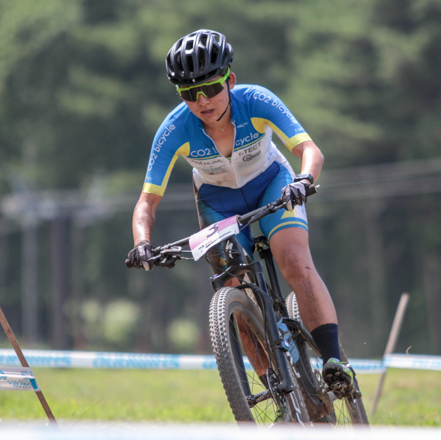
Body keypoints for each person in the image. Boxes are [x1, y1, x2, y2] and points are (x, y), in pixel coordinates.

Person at [125, 29, 353, 391]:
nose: (202, 101)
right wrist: (142, 242)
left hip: (272, 183)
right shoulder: (173, 130)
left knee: (294, 260)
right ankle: (276, 389)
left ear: (230, 80)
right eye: (189, 93)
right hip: (218, 202)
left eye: (211, 88)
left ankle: (333, 363)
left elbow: (311, 151)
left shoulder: (256, 100)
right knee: (232, 286)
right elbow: (147, 202)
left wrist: (304, 180)